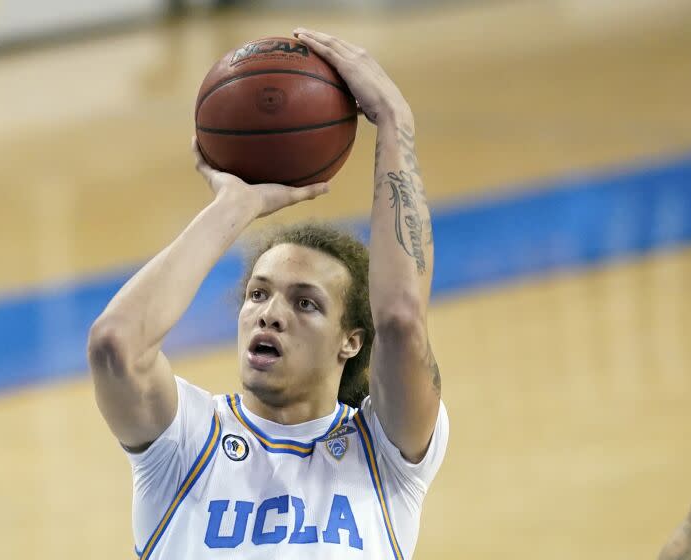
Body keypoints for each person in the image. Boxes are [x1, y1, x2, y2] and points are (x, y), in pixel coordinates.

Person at [87, 28, 448, 559]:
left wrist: (395, 123)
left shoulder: (384, 454)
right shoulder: (188, 442)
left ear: (350, 341)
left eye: (306, 303)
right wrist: (232, 208)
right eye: (258, 294)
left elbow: (400, 318)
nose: (270, 315)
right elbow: (115, 345)